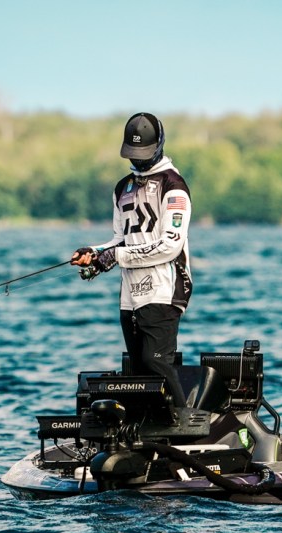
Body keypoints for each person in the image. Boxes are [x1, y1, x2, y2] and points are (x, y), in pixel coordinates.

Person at [70, 112, 193, 408]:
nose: (138, 159)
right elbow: (120, 240)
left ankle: (185, 421)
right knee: (138, 371)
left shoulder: (173, 186)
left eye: (144, 153)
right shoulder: (121, 188)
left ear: (159, 146)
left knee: (156, 362)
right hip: (130, 294)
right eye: (134, 153)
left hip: (164, 289)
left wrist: (117, 255)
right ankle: (147, 426)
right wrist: (96, 254)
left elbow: (170, 245)